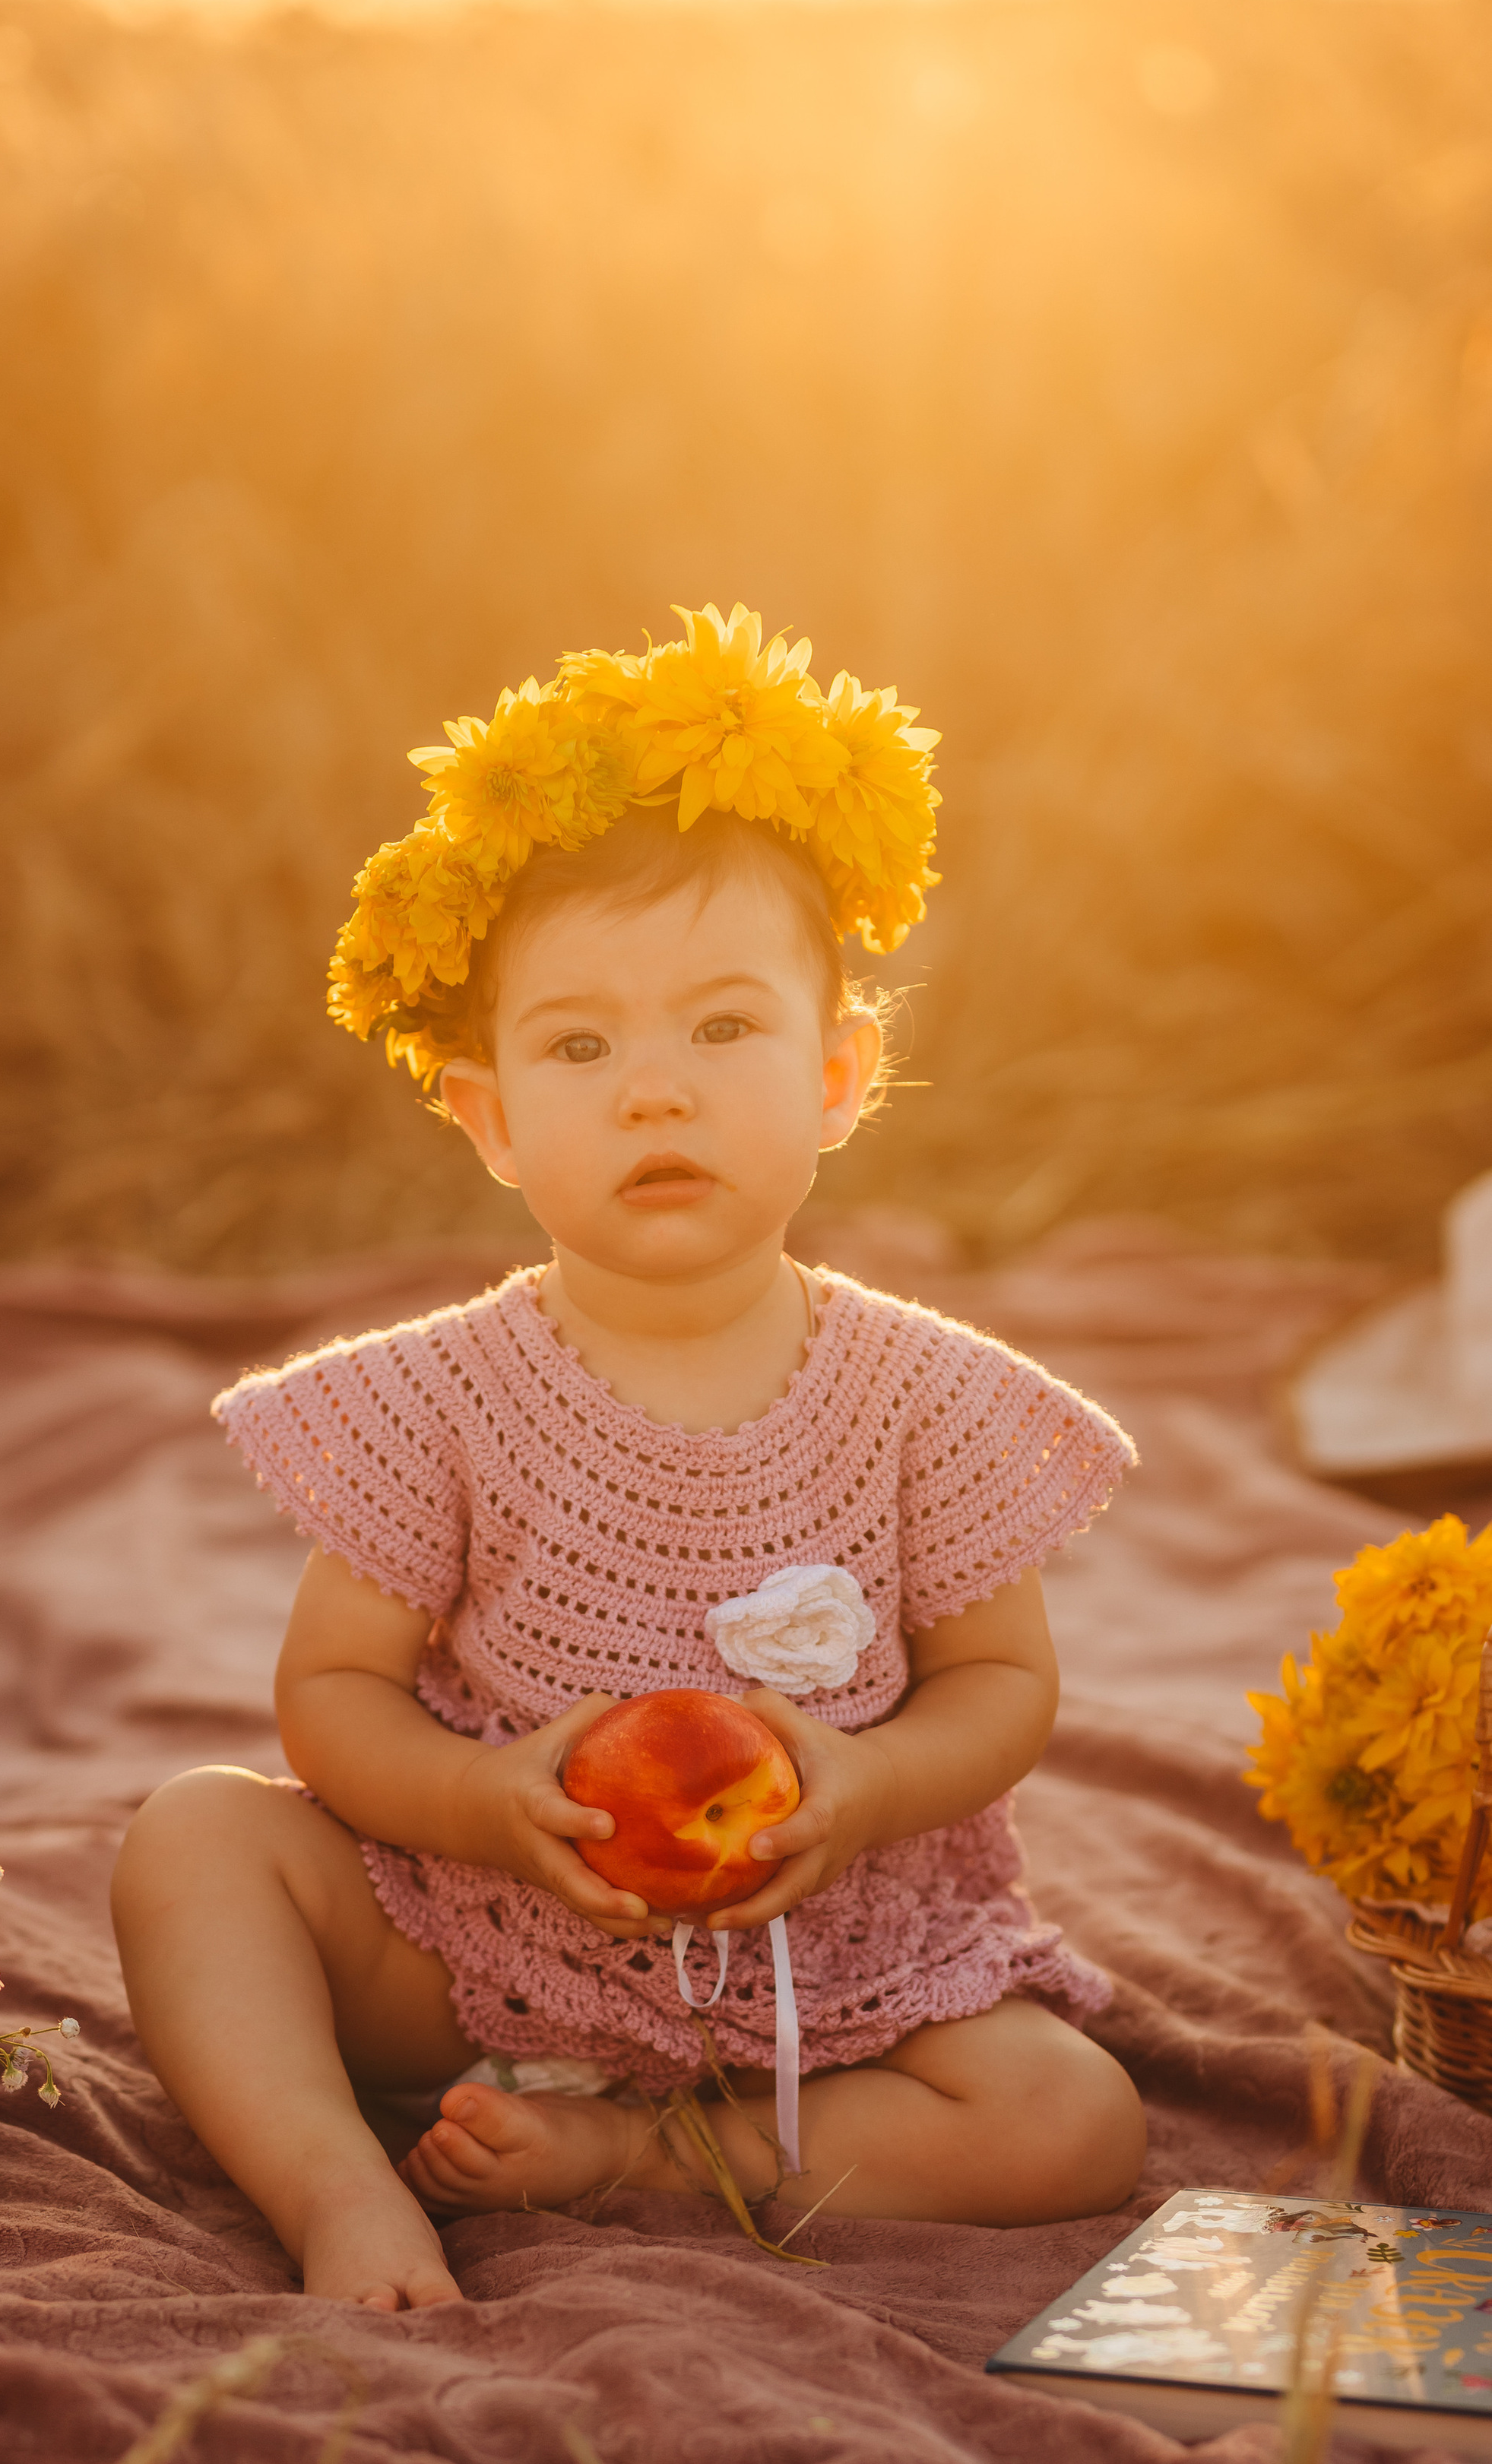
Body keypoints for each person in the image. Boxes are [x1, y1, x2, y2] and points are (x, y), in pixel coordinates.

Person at [112, 603, 1147, 2312]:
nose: (652, 1094)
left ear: (835, 1075)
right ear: (492, 1118)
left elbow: (1002, 1684)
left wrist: (867, 1785)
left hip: (824, 1968)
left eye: (720, 1033)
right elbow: (334, 1694)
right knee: (192, 1845)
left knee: (1067, 2119)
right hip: (483, 1936)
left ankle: (651, 2156)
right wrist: (476, 1804)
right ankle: (337, 2190)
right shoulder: (433, 1398)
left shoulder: (921, 1395)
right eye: (580, 1049)